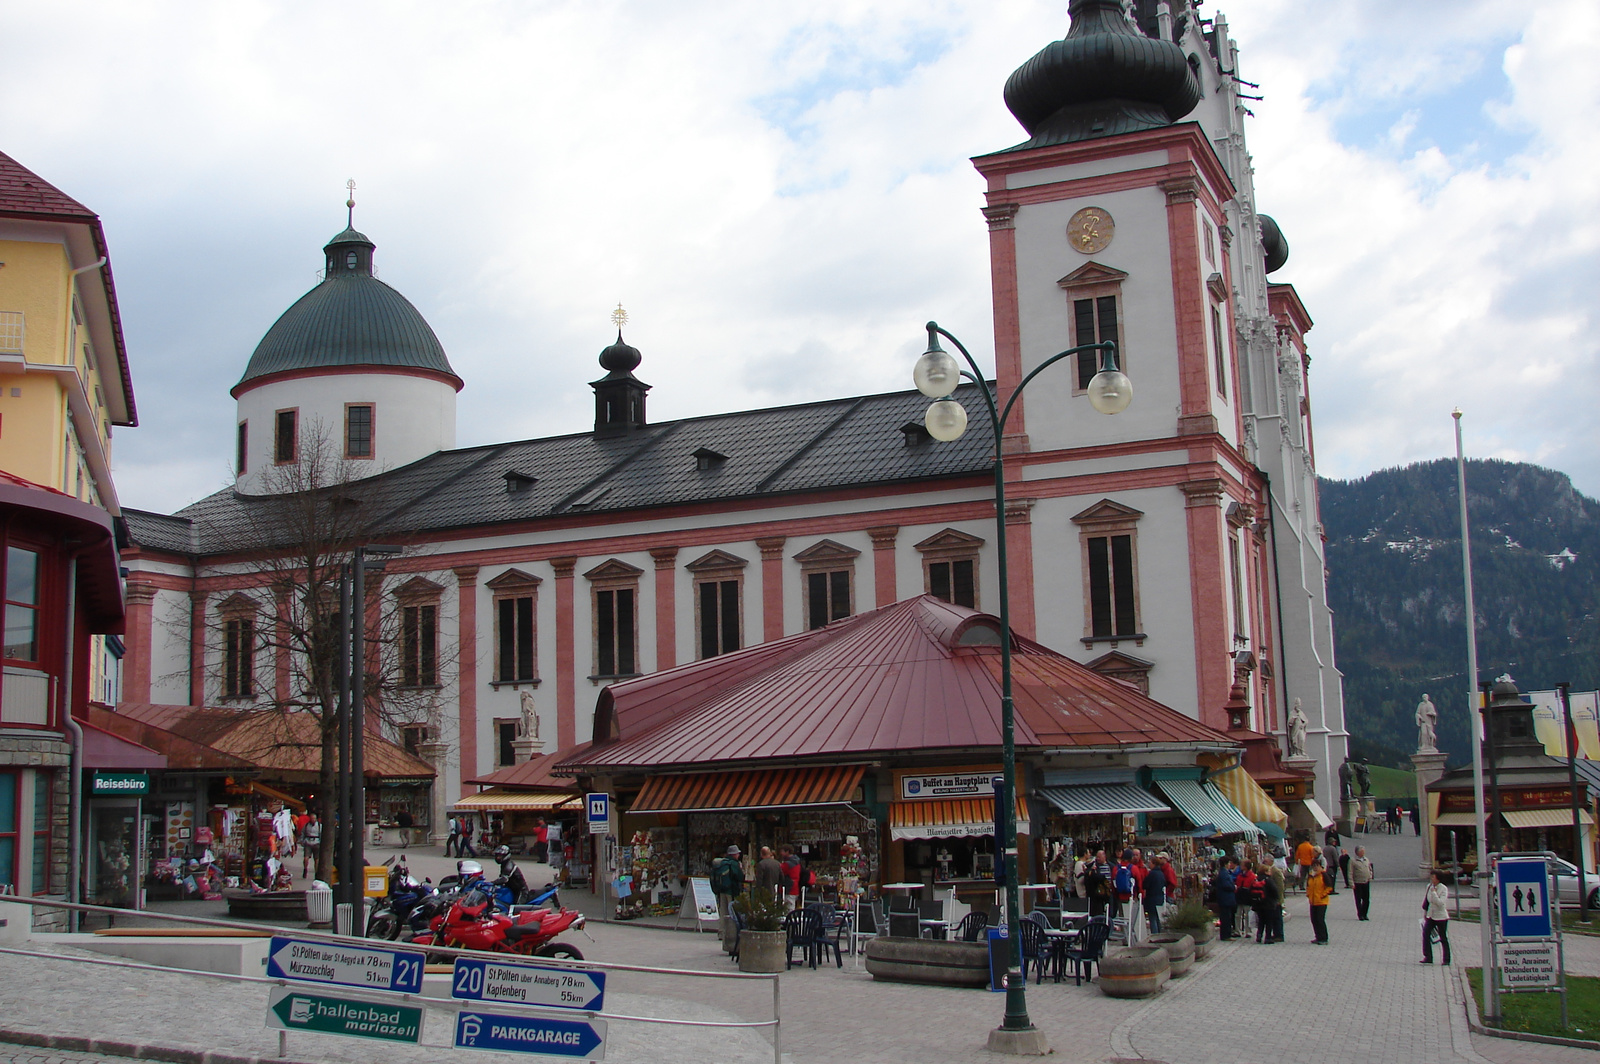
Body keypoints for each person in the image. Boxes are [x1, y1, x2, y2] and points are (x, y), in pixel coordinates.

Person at [1422, 870, 1451, 964]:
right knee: (1426, 934)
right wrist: (1426, 914)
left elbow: (1440, 903)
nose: (1432, 879)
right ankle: (1428, 957)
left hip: (1441, 917)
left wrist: (1434, 893)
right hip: (1431, 915)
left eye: (1433, 877)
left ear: (1438, 878)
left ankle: (1446, 959)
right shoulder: (1429, 887)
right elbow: (1428, 901)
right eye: (1431, 877)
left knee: (1443, 937)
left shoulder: (1443, 889)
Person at [711, 845, 745, 919]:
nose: (739, 855)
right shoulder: (734, 864)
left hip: (721, 891)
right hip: (732, 891)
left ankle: (722, 929)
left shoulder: (721, 863)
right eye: (737, 853)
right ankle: (732, 929)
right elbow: (740, 877)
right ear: (734, 854)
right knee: (732, 912)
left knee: (723, 912)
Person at [1307, 857, 1330, 944]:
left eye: (1317, 866)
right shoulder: (1311, 876)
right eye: (1314, 866)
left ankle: (1324, 938)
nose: (1315, 868)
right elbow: (1308, 886)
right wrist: (1308, 895)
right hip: (1313, 901)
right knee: (1314, 919)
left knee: (1320, 919)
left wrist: (1322, 895)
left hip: (1321, 901)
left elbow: (1329, 887)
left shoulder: (1323, 875)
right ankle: (1318, 936)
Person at [1142, 856, 1168, 934]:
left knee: (1152, 918)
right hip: (1159, 898)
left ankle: (1155, 935)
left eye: (1150, 863)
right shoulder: (1161, 873)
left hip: (1152, 898)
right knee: (1157, 918)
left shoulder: (1152, 874)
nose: (1149, 864)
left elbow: (1145, 885)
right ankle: (1160, 933)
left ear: (1154, 864)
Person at [1215, 857, 1239, 940]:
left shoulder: (1225, 872)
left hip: (1226, 898)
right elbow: (1226, 885)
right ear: (1225, 864)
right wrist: (1233, 887)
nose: (1230, 865)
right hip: (1225, 898)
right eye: (1229, 863)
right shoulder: (1223, 873)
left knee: (1227, 917)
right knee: (1226, 918)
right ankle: (1226, 935)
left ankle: (1227, 934)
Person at [1350, 846, 1374, 920]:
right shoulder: (1353, 860)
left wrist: (1370, 875)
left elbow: (1369, 868)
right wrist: (1351, 883)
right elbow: (1350, 872)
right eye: (1362, 851)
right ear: (1358, 852)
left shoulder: (1366, 859)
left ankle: (1365, 913)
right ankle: (1360, 914)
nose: (1364, 853)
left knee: (1366, 899)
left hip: (1366, 881)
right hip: (1357, 882)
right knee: (1358, 899)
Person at [300, 812, 322, 879]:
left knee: (316, 859)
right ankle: (305, 869)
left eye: (314, 818)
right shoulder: (306, 825)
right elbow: (303, 833)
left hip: (316, 842)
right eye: (312, 818)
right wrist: (302, 840)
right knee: (306, 858)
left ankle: (316, 873)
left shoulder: (319, 826)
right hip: (308, 842)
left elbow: (321, 834)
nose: (313, 820)